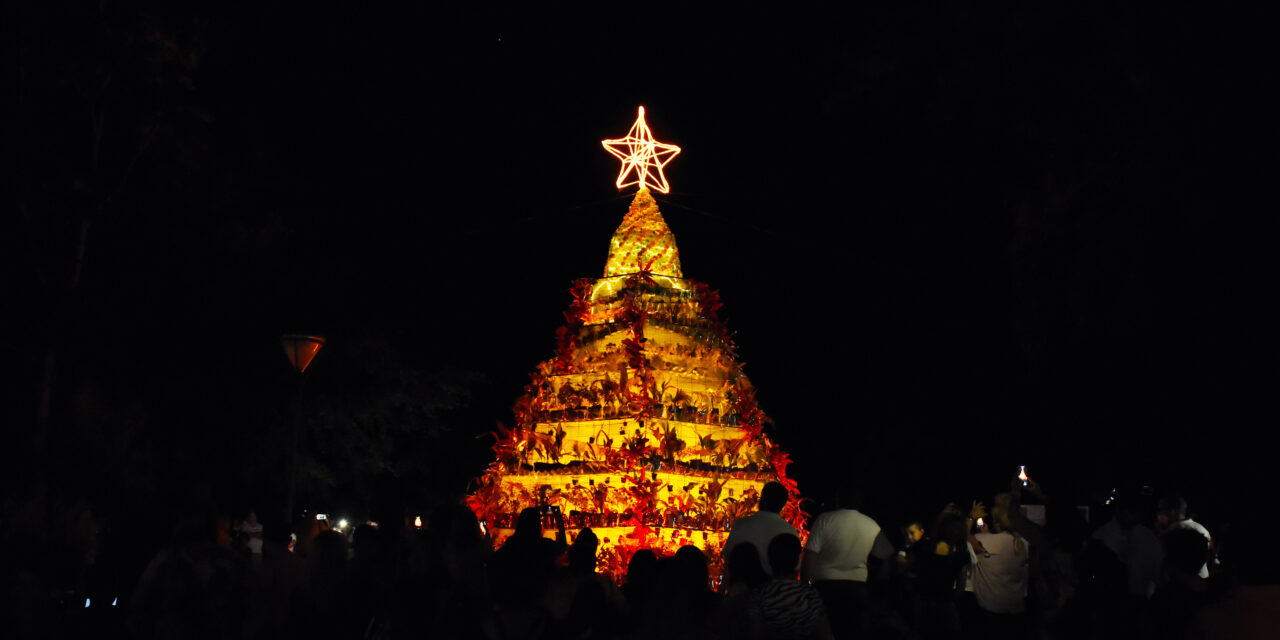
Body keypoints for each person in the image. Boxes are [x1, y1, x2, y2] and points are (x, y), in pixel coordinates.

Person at [802, 486, 894, 639]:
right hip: (857, 587)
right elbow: (887, 554)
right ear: (860, 502)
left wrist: (804, 586)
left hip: (825, 586)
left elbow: (810, 554)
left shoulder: (825, 520)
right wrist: (879, 582)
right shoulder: (871, 525)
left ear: (838, 499)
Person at [965, 498, 1031, 636]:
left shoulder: (985, 541)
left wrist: (971, 517)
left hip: (991, 616)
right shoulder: (1023, 543)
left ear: (997, 523)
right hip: (1017, 616)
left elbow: (963, 537)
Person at [755, 533, 832, 640]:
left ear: (769, 560)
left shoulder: (761, 595)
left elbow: (756, 631)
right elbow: (824, 632)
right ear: (797, 561)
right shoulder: (809, 595)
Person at [723, 482, 798, 580]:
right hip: (775, 591)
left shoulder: (742, 524)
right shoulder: (789, 531)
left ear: (762, 499)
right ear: (783, 505)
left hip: (745, 587)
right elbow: (794, 568)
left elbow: (728, 557)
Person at [1157, 493, 1212, 578]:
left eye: (1161, 509)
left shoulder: (1174, 532)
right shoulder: (1201, 528)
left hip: (1182, 583)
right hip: (1201, 580)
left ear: (1172, 511)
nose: (1158, 514)